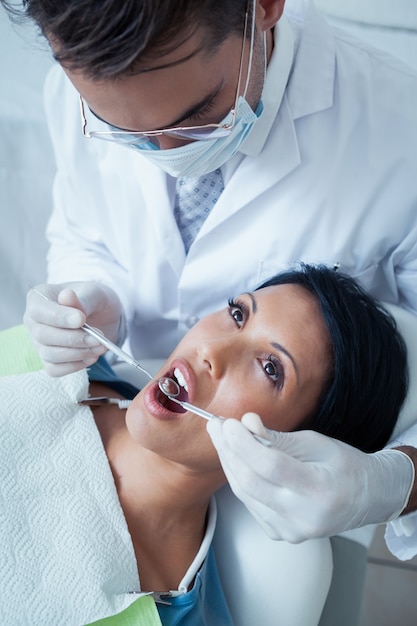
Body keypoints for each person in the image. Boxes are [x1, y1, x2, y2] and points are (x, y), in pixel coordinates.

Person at [2, 0, 417, 556]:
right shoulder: (81, 80)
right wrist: (99, 296)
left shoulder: (401, 133)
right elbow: (86, 232)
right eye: (122, 130)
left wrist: (390, 483)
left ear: (263, 8)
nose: (163, 153)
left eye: (198, 114)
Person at [0, 265, 409, 625]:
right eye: (237, 314)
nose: (211, 349)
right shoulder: (51, 357)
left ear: (296, 448)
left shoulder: (166, 615)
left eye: (271, 368)